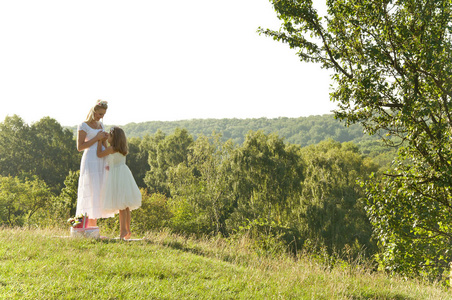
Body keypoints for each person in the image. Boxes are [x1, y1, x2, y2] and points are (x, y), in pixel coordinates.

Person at [97, 126, 142, 240]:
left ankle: (123, 232)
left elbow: (100, 154)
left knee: (122, 207)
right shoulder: (121, 149)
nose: (108, 138)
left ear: (114, 138)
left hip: (117, 177)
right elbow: (110, 155)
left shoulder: (112, 149)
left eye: (110, 136)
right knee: (125, 206)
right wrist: (105, 142)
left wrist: (99, 141)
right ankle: (127, 230)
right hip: (123, 174)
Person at [76, 100, 115, 227]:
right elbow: (80, 147)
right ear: (93, 112)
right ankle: (86, 226)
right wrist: (96, 138)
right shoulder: (83, 125)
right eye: (99, 114)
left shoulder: (101, 126)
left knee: (99, 189)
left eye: (103, 114)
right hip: (90, 159)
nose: (101, 117)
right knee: (91, 189)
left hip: (101, 159)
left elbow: (104, 145)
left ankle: (93, 226)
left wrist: (105, 143)